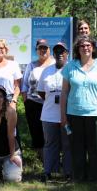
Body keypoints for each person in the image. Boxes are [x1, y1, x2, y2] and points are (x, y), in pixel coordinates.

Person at [60, 35, 97, 182]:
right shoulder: (70, 66)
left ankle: (96, 178)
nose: (85, 48)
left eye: (88, 45)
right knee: (77, 149)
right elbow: (64, 92)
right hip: (74, 113)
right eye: (82, 45)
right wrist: (63, 115)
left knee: (96, 149)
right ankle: (78, 177)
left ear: (93, 47)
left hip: (96, 114)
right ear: (78, 49)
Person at [37, 42, 72, 182]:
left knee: (68, 144)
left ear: (67, 53)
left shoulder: (71, 69)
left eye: (62, 51)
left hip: (68, 115)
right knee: (50, 144)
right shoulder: (46, 70)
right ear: (53, 54)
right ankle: (49, 171)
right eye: (57, 51)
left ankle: (68, 172)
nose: (59, 54)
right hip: (49, 114)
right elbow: (41, 92)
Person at [21, 39, 55, 160]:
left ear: (49, 50)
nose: (42, 50)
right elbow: (24, 85)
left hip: (51, 104)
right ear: (36, 50)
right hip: (33, 103)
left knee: (51, 132)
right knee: (36, 132)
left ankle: (53, 157)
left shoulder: (55, 64)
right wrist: (26, 101)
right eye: (40, 48)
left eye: (45, 48)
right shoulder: (31, 65)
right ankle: (43, 159)